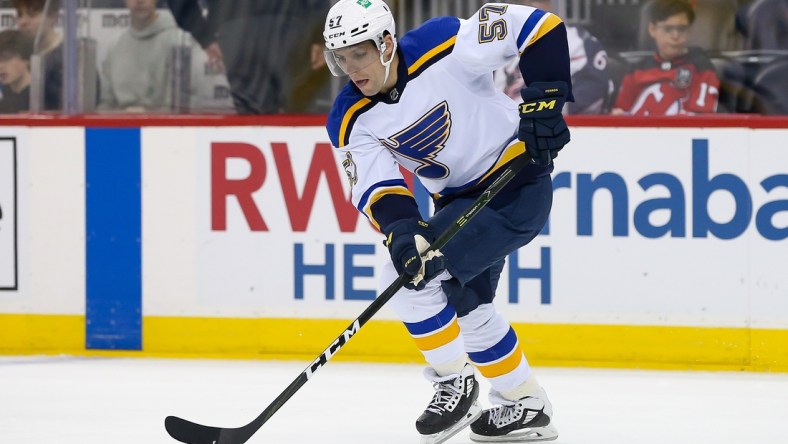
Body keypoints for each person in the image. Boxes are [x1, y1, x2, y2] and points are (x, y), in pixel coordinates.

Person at [323, 1, 572, 443]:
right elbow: (378, 188)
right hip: (455, 203)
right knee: (464, 301)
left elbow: (539, 27)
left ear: (385, 43)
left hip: (516, 183)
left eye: (358, 53)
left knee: (405, 283)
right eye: (340, 57)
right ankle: (527, 404)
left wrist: (545, 100)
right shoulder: (350, 117)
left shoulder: (443, 42)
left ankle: (453, 382)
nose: (350, 68)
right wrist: (402, 231)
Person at [166, 0, 331, 114]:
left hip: (244, 30)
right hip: (268, 29)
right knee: (293, 114)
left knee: (260, 113)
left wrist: (319, 33)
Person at [496, 0, 612, 114]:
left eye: (537, 0)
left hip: (558, 126)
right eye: (521, 1)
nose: (528, 5)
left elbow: (594, 90)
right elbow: (494, 98)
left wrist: (540, 115)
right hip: (510, 127)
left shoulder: (580, 42)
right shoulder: (504, 45)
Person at [612, 0, 720, 115]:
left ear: (690, 31)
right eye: (668, 29)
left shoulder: (701, 67)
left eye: (682, 29)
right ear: (652, 30)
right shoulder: (636, 70)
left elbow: (700, 120)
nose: (675, 36)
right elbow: (620, 114)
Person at [99, 0, 182, 112]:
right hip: (120, 127)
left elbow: (178, 108)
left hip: (162, 127)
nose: (140, 1)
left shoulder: (177, 41)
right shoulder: (115, 47)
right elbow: (105, 105)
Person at [12, 0, 62, 111]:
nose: (22, 22)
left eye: (32, 14)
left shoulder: (72, 60)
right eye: (20, 14)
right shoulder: (16, 57)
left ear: (53, 17)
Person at [0, 29, 34, 113]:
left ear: (27, 59)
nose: (0, 66)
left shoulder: (43, 98)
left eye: (6, 58)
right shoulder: (4, 98)